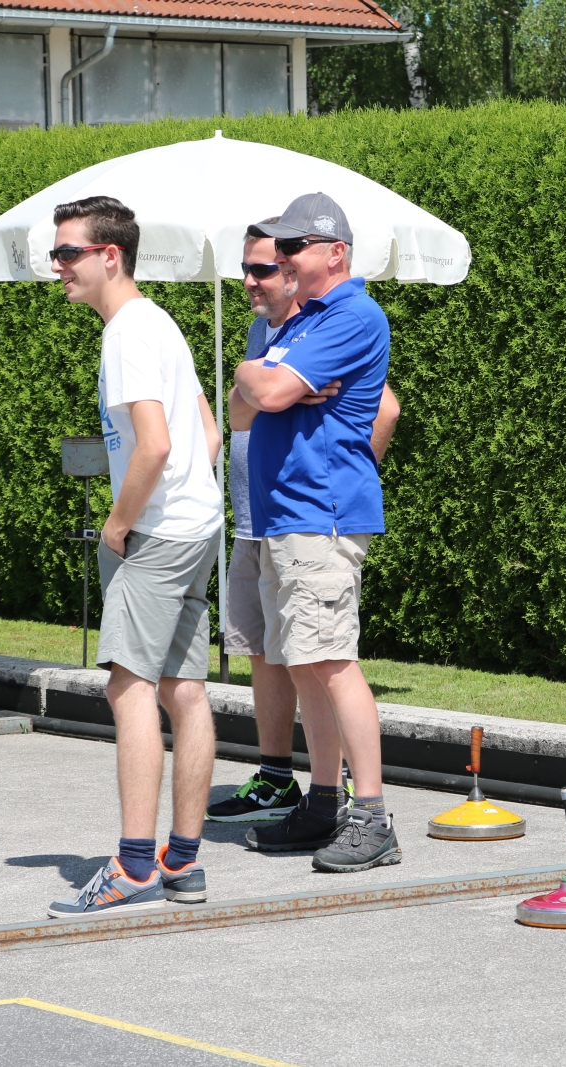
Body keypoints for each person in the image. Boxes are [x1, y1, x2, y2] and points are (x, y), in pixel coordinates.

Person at [44, 196, 223, 917]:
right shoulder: (159, 322)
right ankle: (183, 859)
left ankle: (134, 864)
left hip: (155, 534)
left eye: (68, 253)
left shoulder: (125, 334)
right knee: (185, 688)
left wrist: (119, 525)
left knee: (129, 687)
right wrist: (185, 503)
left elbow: (156, 445)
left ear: (109, 255)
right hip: (195, 526)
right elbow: (209, 433)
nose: (57, 267)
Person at [208, 223, 402, 824]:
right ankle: (322, 801)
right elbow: (243, 409)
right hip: (281, 517)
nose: (263, 273)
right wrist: (253, 374)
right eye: (267, 259)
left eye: (286, 253)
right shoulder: (298, 324)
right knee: (304, 661)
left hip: (317, 514)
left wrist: (265, 383)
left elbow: (267, 396)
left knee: (332, 662)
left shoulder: (348, 316)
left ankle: (369, 814)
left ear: (335, 252)